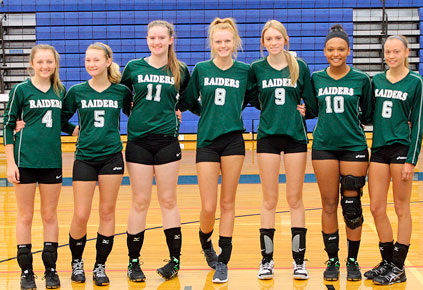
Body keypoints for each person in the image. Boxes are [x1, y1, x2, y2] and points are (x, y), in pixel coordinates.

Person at [182, 17, 257, 284]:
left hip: (234, 141)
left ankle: (223, 260)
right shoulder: (201, 69)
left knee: (228, 203)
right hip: (207, 141)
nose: (223, 45)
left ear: (234, 42)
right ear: (211, 44)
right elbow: (188, 100)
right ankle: (205, 241)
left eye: (227, 41)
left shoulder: (244, 71)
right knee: (208, 205)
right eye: (218, 41)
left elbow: (255, 97)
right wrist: (209, 113)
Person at [121, 20, 191, 282]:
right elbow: (121, 96)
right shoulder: (133, 67)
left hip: (167, 142)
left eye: (162, 38)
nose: (157, 42)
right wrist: (134, 113)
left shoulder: (180, 70)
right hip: (138, 141)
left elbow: (187, 97)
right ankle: (133, 262)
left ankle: (174, 261)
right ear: (147, 40)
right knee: (139, 201)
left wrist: (176, 110)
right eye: (152, 38)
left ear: (171, 39)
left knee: (168, 201)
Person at [249, 20, 317, 280]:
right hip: (267, 137)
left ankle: (299, 261)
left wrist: (304, 111)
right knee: (269, 199)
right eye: (269, 39)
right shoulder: (256, 68)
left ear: (285, 39)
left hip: (295, 138)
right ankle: (267, 260)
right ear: (263, 43)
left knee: (295, 198)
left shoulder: (299, 66)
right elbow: (253, 97)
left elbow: (312, 104)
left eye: (278, 38)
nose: (274, 43)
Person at [61, 42, 131, 286]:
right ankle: (76, 262)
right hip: (85, 158)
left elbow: (138, 113)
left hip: (111, 156)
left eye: (96, 60)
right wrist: (73, 130)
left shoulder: (121, 91)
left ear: (107, 61)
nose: (91, 64)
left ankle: (100, 266)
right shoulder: (77, 91)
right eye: (88, 60)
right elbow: (60, 118)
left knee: (106, 212)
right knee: (81, 213)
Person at [3, 44, 71, 290]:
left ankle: (51, 269)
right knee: (25, 215)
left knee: (50, 215)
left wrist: (76, 130)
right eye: (40, 62)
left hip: (52, 160)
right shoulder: (21, 90)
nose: (45, 66)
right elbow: (8, 125)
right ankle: (26, 271)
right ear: (32, 63)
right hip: (25, 161)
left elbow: (61, 121)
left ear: (55, 64)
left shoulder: (60, 90)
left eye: (49, 62)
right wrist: (10, 163)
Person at [310, 25, 373, 281]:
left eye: (341, 49)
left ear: (349, 50)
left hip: (354, 147)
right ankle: (333, 260)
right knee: (328, 204)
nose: (336, 53)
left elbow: (368, 114)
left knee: (352, 206)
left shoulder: (361, 79)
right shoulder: (316, 78)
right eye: (330, 49)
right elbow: (312, 109)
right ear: (325, 51)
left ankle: (353, 261)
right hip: (324, 146)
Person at [365, 35, 423, 285]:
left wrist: (411, 160)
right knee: (376, 207)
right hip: (378, 149)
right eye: (387, 52)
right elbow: (366, 112)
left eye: (396, 52)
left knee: (401, 208)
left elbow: (420, 122)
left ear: (406, 53)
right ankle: (388, 261)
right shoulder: (376, 80)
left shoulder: (416, 82)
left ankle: (398, 266)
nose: (391, 56)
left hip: (401, 150)